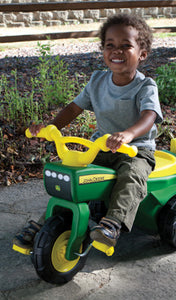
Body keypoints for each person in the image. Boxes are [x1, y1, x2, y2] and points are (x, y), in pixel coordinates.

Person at [13, 13, 163, 252]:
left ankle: (112, 225)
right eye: (110, 45)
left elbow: (149, 117)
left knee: (132, 176)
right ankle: (46, 222)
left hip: (135, 149)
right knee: (74, 178)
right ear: (103, 50)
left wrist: (127, 134)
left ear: (142, 54)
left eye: (126, 46)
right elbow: (74, 108)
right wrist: (51, 128)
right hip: (101, 147)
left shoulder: (145, 86)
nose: (117, 51)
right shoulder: (97, 80)